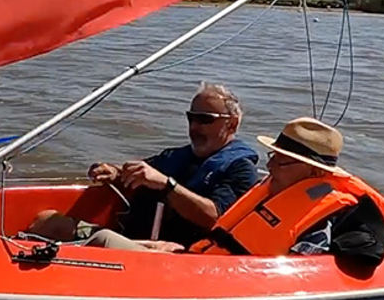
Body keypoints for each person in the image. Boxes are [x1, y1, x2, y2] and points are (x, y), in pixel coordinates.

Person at [83, 117, 384, 266]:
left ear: (314, 172)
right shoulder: (272, 189)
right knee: (97, 241)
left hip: (218, 278)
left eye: (281, 162)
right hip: (200, 261)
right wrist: (175, 249)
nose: (270, 167)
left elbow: (299, 272)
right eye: (272, 157)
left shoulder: (322, 214)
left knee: (101, 241)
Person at [26, 83, 261, 247]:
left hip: (178, 254)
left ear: (231, 125)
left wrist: (167, 185)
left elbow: (217, 218)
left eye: (205, 120)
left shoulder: (240, 168)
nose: (195, 127)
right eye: (191, 118)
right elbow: (141, 173)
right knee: (47, 220)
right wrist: (115, 173)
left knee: (103, 239)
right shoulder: (176, 156)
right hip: (136, 242)